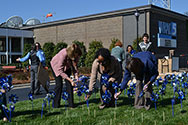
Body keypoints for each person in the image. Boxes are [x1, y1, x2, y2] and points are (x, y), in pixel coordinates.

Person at [50, 44, 82, 108]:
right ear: (72, 54)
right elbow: (60, 71)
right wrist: (70, 79)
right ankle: (55, 104)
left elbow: (75, 67)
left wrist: (76, 76)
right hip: (56, 67)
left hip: (67, 66)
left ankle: (71, 104)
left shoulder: (76, 54)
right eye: (75, 56)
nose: (77, 57)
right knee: (59, 85)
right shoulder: (63, 55)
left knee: (69, 85)